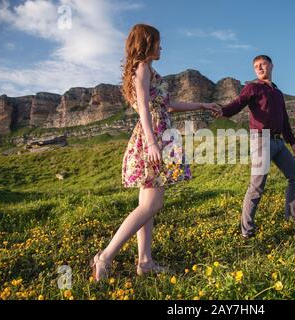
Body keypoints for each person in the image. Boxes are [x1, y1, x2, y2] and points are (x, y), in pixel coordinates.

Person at [90, 24, 220, 281]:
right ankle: (104, 257)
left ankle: (145, 261)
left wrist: (202, 103)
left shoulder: (146, 69)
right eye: (158, 42)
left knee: (146, 205)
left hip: (158, 133)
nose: (162, 47)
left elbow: (167, 105)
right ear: (147, 43)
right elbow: (144, 108)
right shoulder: (142, 68)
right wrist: (151, 143)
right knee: (152, 204)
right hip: (154, 137)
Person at [213, 55, 295, 239]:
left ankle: (292, 220)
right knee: (257, 186)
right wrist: (223, 111)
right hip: (262, 140)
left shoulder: (278, 93)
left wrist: (292, 142)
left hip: (279, 142)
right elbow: (239, 103)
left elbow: (284, 119)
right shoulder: (253, 87)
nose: (259, 68)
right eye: (256, 66)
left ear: (271, 65)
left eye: (262, 64)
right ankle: (247, 232)